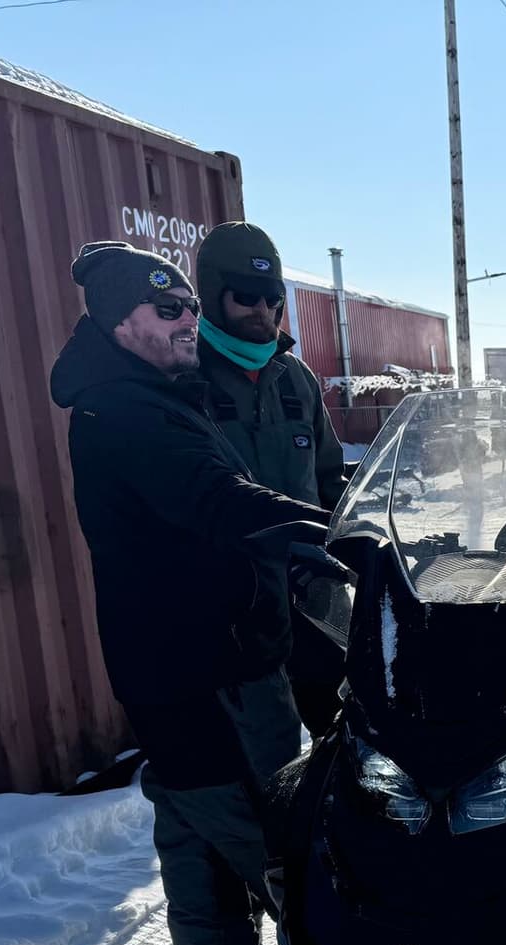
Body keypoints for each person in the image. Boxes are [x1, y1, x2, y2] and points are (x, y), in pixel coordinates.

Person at [49, 241, 341, 945]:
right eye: (170, 309)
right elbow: (217, 498)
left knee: (186, 804)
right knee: (267, 817)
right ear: (120, 322)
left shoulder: (146, 394)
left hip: (175, 654)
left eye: (187, 306)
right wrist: (338, 542)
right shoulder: (130, 410)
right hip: (216, 659)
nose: (189, 323)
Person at [192, 222, 349, 734]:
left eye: (272, 298)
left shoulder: (295, 378)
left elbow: (328, 478)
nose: (262, 310)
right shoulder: (184, 377)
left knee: (348, 733)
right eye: (246, 296)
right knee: (266, 751)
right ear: (214, 297)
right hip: (235, 603)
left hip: (312, 591)